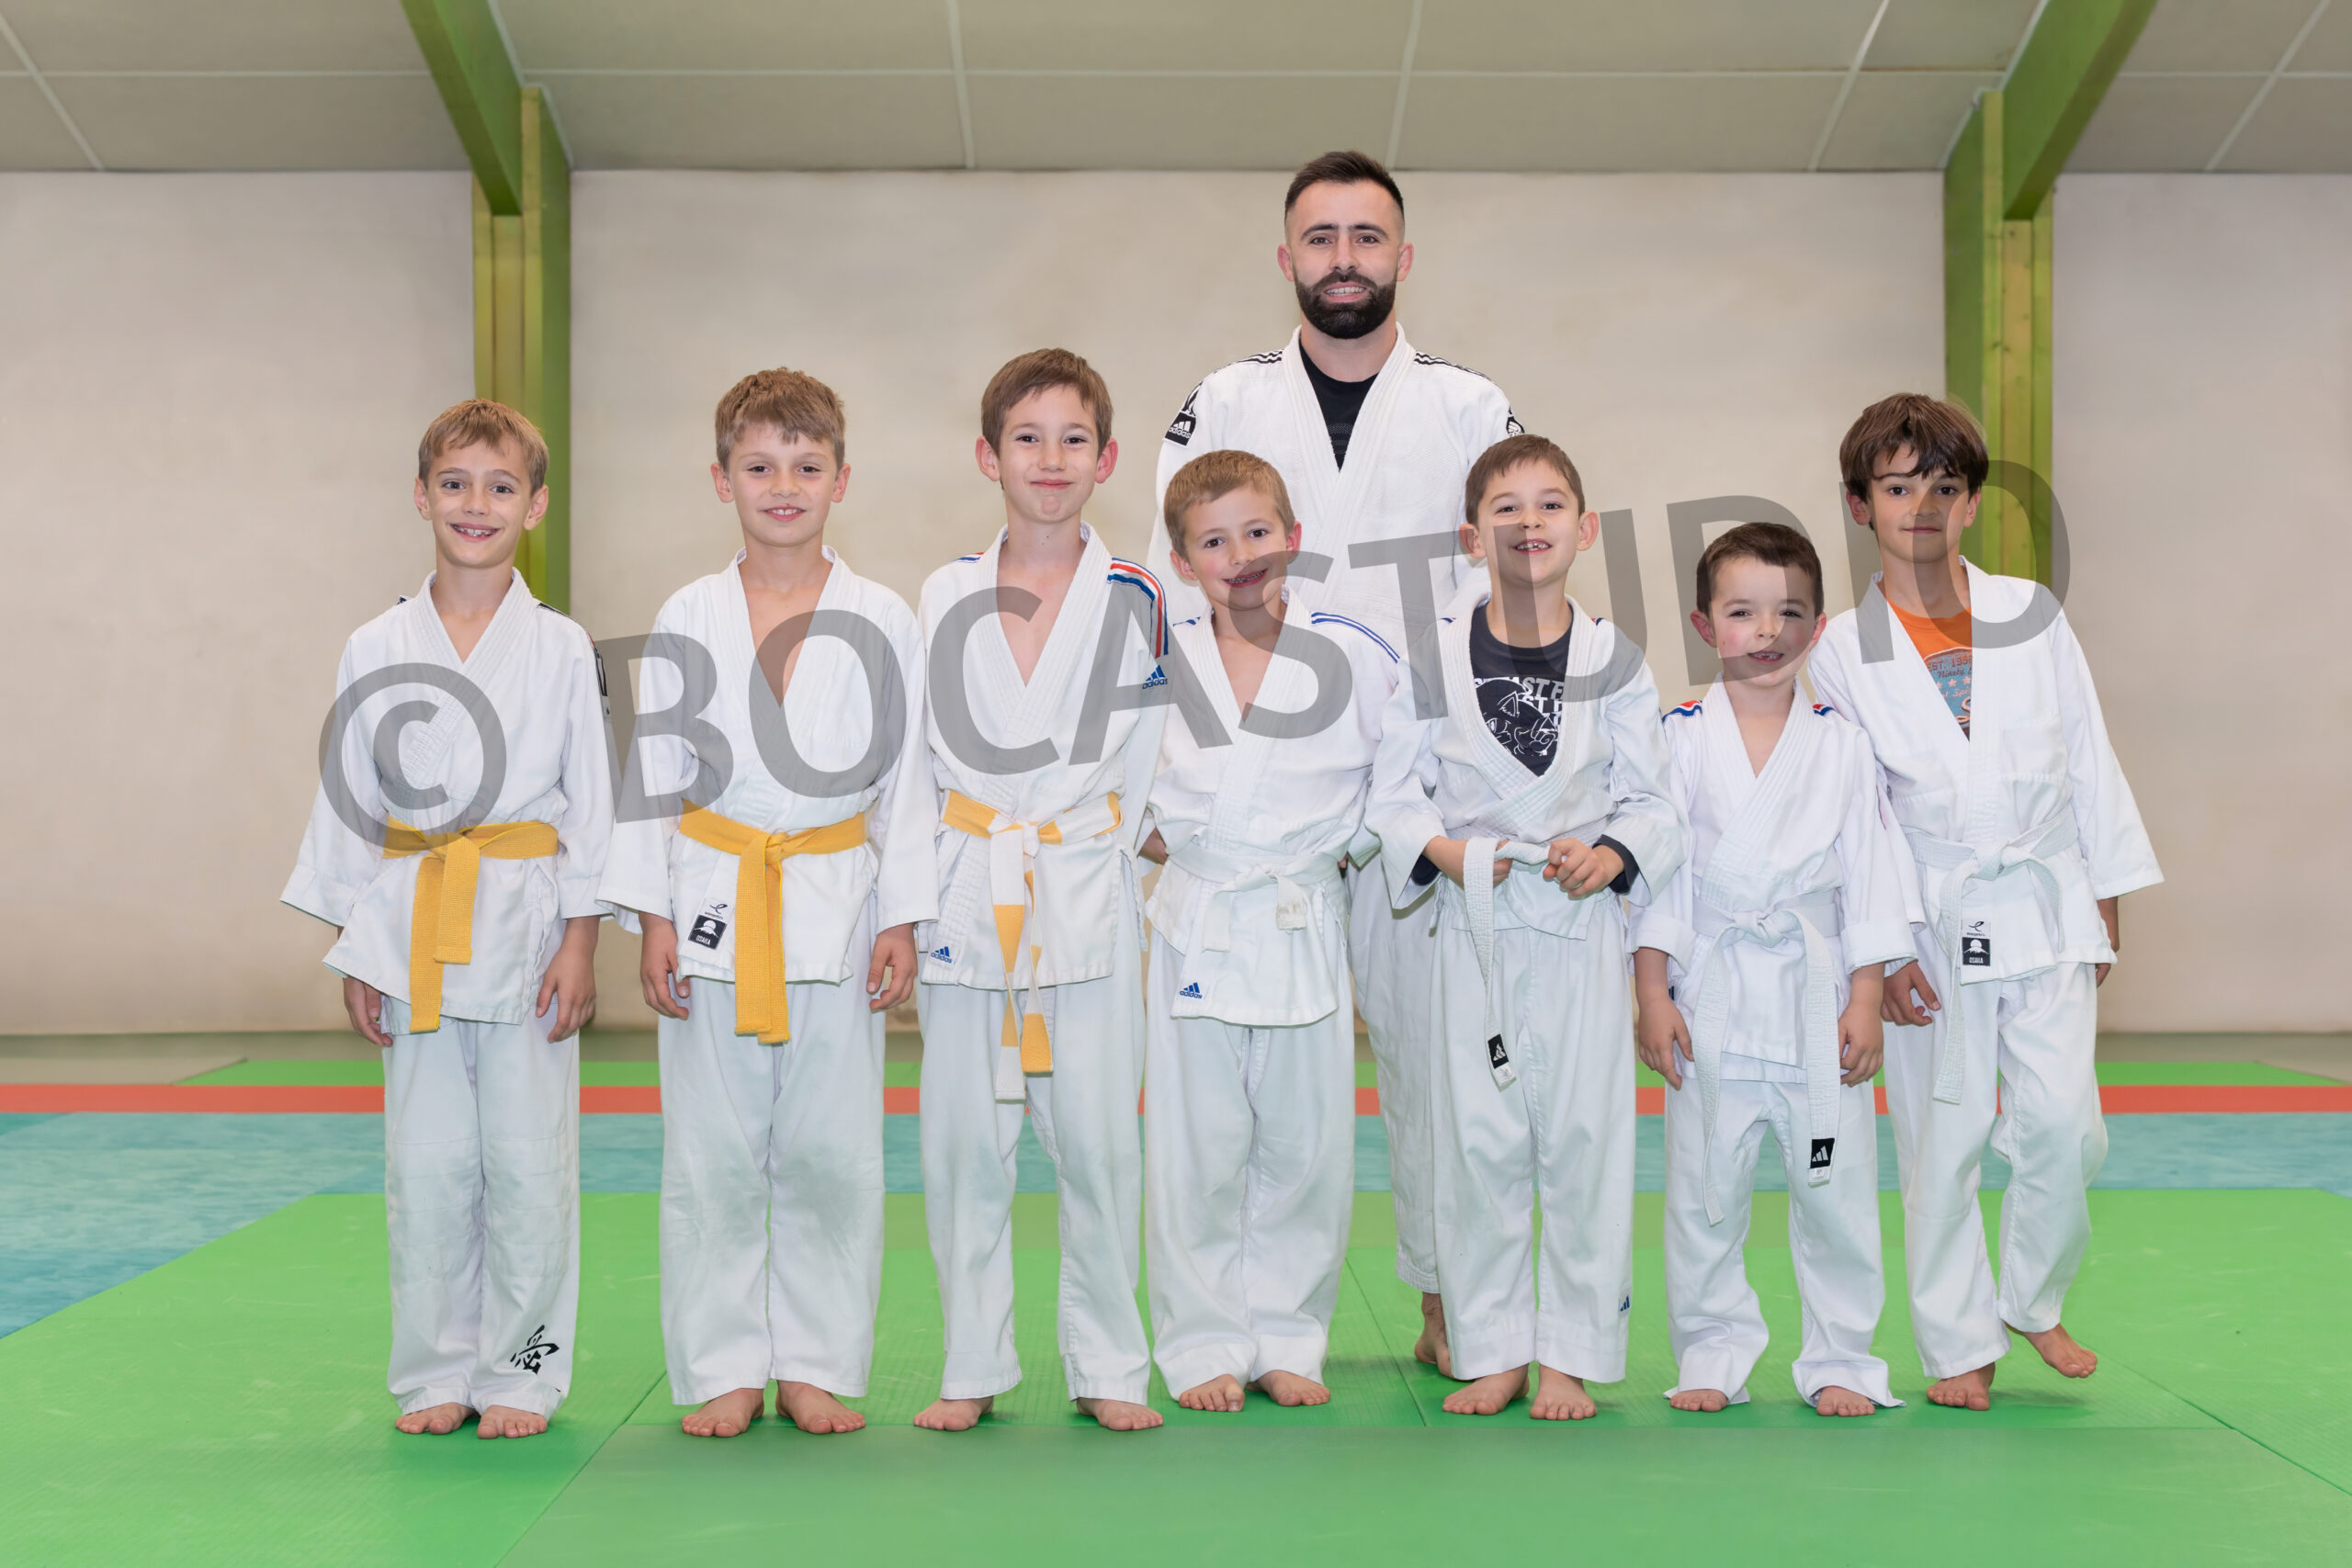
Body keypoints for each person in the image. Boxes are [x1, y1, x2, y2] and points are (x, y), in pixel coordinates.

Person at [1151, 148, 1521, 1371]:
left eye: (1367, 237)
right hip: (1263, 796)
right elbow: (1171, 588)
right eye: (1322, 237)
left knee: (1435, 1060)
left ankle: (1448, 1293)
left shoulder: (1468, 407)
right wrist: (1177, 783)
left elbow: (1514, 584)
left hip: (1425, 780)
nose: (1345, 259)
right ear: (1286, 257)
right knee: (1236, 1094)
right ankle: (1223, 1325)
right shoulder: (1225, 402)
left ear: (1402, 256)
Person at [598, 368, 933, 1438]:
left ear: (842, 478)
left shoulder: (884, 617)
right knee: (712, 1153)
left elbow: (909, 780)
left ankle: (817, 1363)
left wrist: (901, 914)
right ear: (721, 480)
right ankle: (723, 1365)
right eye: (759, 466)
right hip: (712, 897)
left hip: (836, 899)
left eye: (805, 465)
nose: (783, 485)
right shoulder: (686, 613)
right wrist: (651, 917)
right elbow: (652, 774)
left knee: (833, 1152)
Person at [1808, 393, 2161, 1411]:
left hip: (2046, 898)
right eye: (1897, 486)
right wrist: (1880, 952)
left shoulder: (2028, 614)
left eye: (1944, 485)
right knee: (1942, 1142)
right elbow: (1855, 812)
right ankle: (1958, 1342)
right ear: (1859, 505)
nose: (1921, 505)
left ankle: (2032, 1296)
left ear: (1970, 504)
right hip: (1927, 914)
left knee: (2067, 1126)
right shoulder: (1839, 647)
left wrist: (2106, 890)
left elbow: (2087, 752)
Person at [282, 399, 610, 1440]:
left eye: (501, 486)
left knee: (529, 1163)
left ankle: (523, 1372)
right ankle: (433, 1370)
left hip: (527, 923)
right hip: (410, 920)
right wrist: (355, 946)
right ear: (421, 496)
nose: (478, 504)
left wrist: (580, 941)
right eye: (456, 483)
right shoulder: (375, 643)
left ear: (536, 506)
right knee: (424, 1166)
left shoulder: (561, 647)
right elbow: (350, 800)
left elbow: (592, 804)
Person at [1365, 433, 1684, 1419]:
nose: (1528, 521)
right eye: (1505, 507)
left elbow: (1657, 801)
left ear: (1585, 530)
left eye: (1550, 504)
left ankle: (1571, 1358)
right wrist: (1446, 851)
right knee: (1478, 1146)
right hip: (1476, 929)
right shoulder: (1432, 658)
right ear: (1472, 537)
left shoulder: (1614, 660)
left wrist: (1613, 855)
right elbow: (1392, 795)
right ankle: (1492, 1350)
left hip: (1579, 930)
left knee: (1586, 1143)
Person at [913, 349, 1169, 1433]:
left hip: (1085, 885)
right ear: (988, 457)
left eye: (1073, 439)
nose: (1050, 459)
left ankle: (1108, 1365)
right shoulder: (944, 594)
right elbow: (917, 763)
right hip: (972, 885)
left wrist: (1115, 858)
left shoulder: (1139, 596)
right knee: (962, 1145)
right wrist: (909, 903)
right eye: (1027, 438)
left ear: (1106, 459)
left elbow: (1150, 756)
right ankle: (971, 1364)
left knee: (1100, 1143)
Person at [1631, 523, 1917, 1416]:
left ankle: (1843, 1357)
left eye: (1789, 612)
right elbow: (1660, 872)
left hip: (1813, 998)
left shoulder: (1842, 743)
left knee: (1835, 1191)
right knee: (1704, 1192)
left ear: (1818, 627)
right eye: (1742, 612)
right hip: (1710, 996)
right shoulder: (1676, 737)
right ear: (1704, 625)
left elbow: (1869, 872)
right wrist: (1651, 992)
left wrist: (1865, 997)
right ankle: (1710, 1350)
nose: (1767, 631)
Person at [1137, 449, 1400, 1412]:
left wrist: (1337, 855)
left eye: (1257, 532)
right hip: (1199, 914)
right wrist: (1177, 848)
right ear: (1181, 562)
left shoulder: (1354, 655)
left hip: (1301, 916)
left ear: (1293, 537)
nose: (1240, 556)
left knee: (1306, 1147)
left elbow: (1398, 779)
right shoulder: (1154, 662)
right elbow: (1115, 788)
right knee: (1195, 1148)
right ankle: (1201, 1342)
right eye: (1213, 542)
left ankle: (1289, 1337)